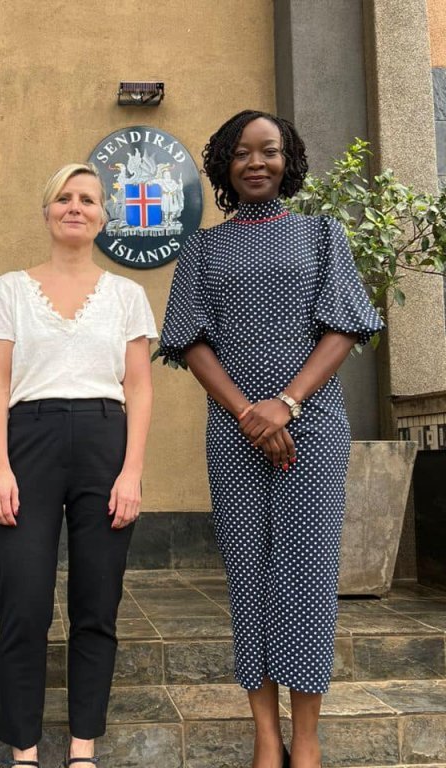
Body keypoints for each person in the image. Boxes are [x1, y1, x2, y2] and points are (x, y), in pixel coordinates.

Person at [157, 110, 383, 768]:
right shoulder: (202, 248)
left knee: (307, 577)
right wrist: (249, 414)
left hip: (312, 425)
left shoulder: (321, 234)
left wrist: (284, 405)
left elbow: (343, 327)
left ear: (289, 161)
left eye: (270, 152)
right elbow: (188, 341)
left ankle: (306, 738)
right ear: (225, 163)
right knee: (249, 575)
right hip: (233, 434)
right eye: (243, 153)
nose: (257, 163)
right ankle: (265, 733)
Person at [0, 163, 156, 768]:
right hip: (29, 442)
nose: (75, 207)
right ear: (46, 211)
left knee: (96, 602)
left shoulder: (128, 296)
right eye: (64, 198)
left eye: (88, 199)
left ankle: (83, 746)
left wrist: (130, 473)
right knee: (22, 600)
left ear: (104, 216)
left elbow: (140, 388)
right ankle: (24, 749)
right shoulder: (10, 290)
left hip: (106, 444)